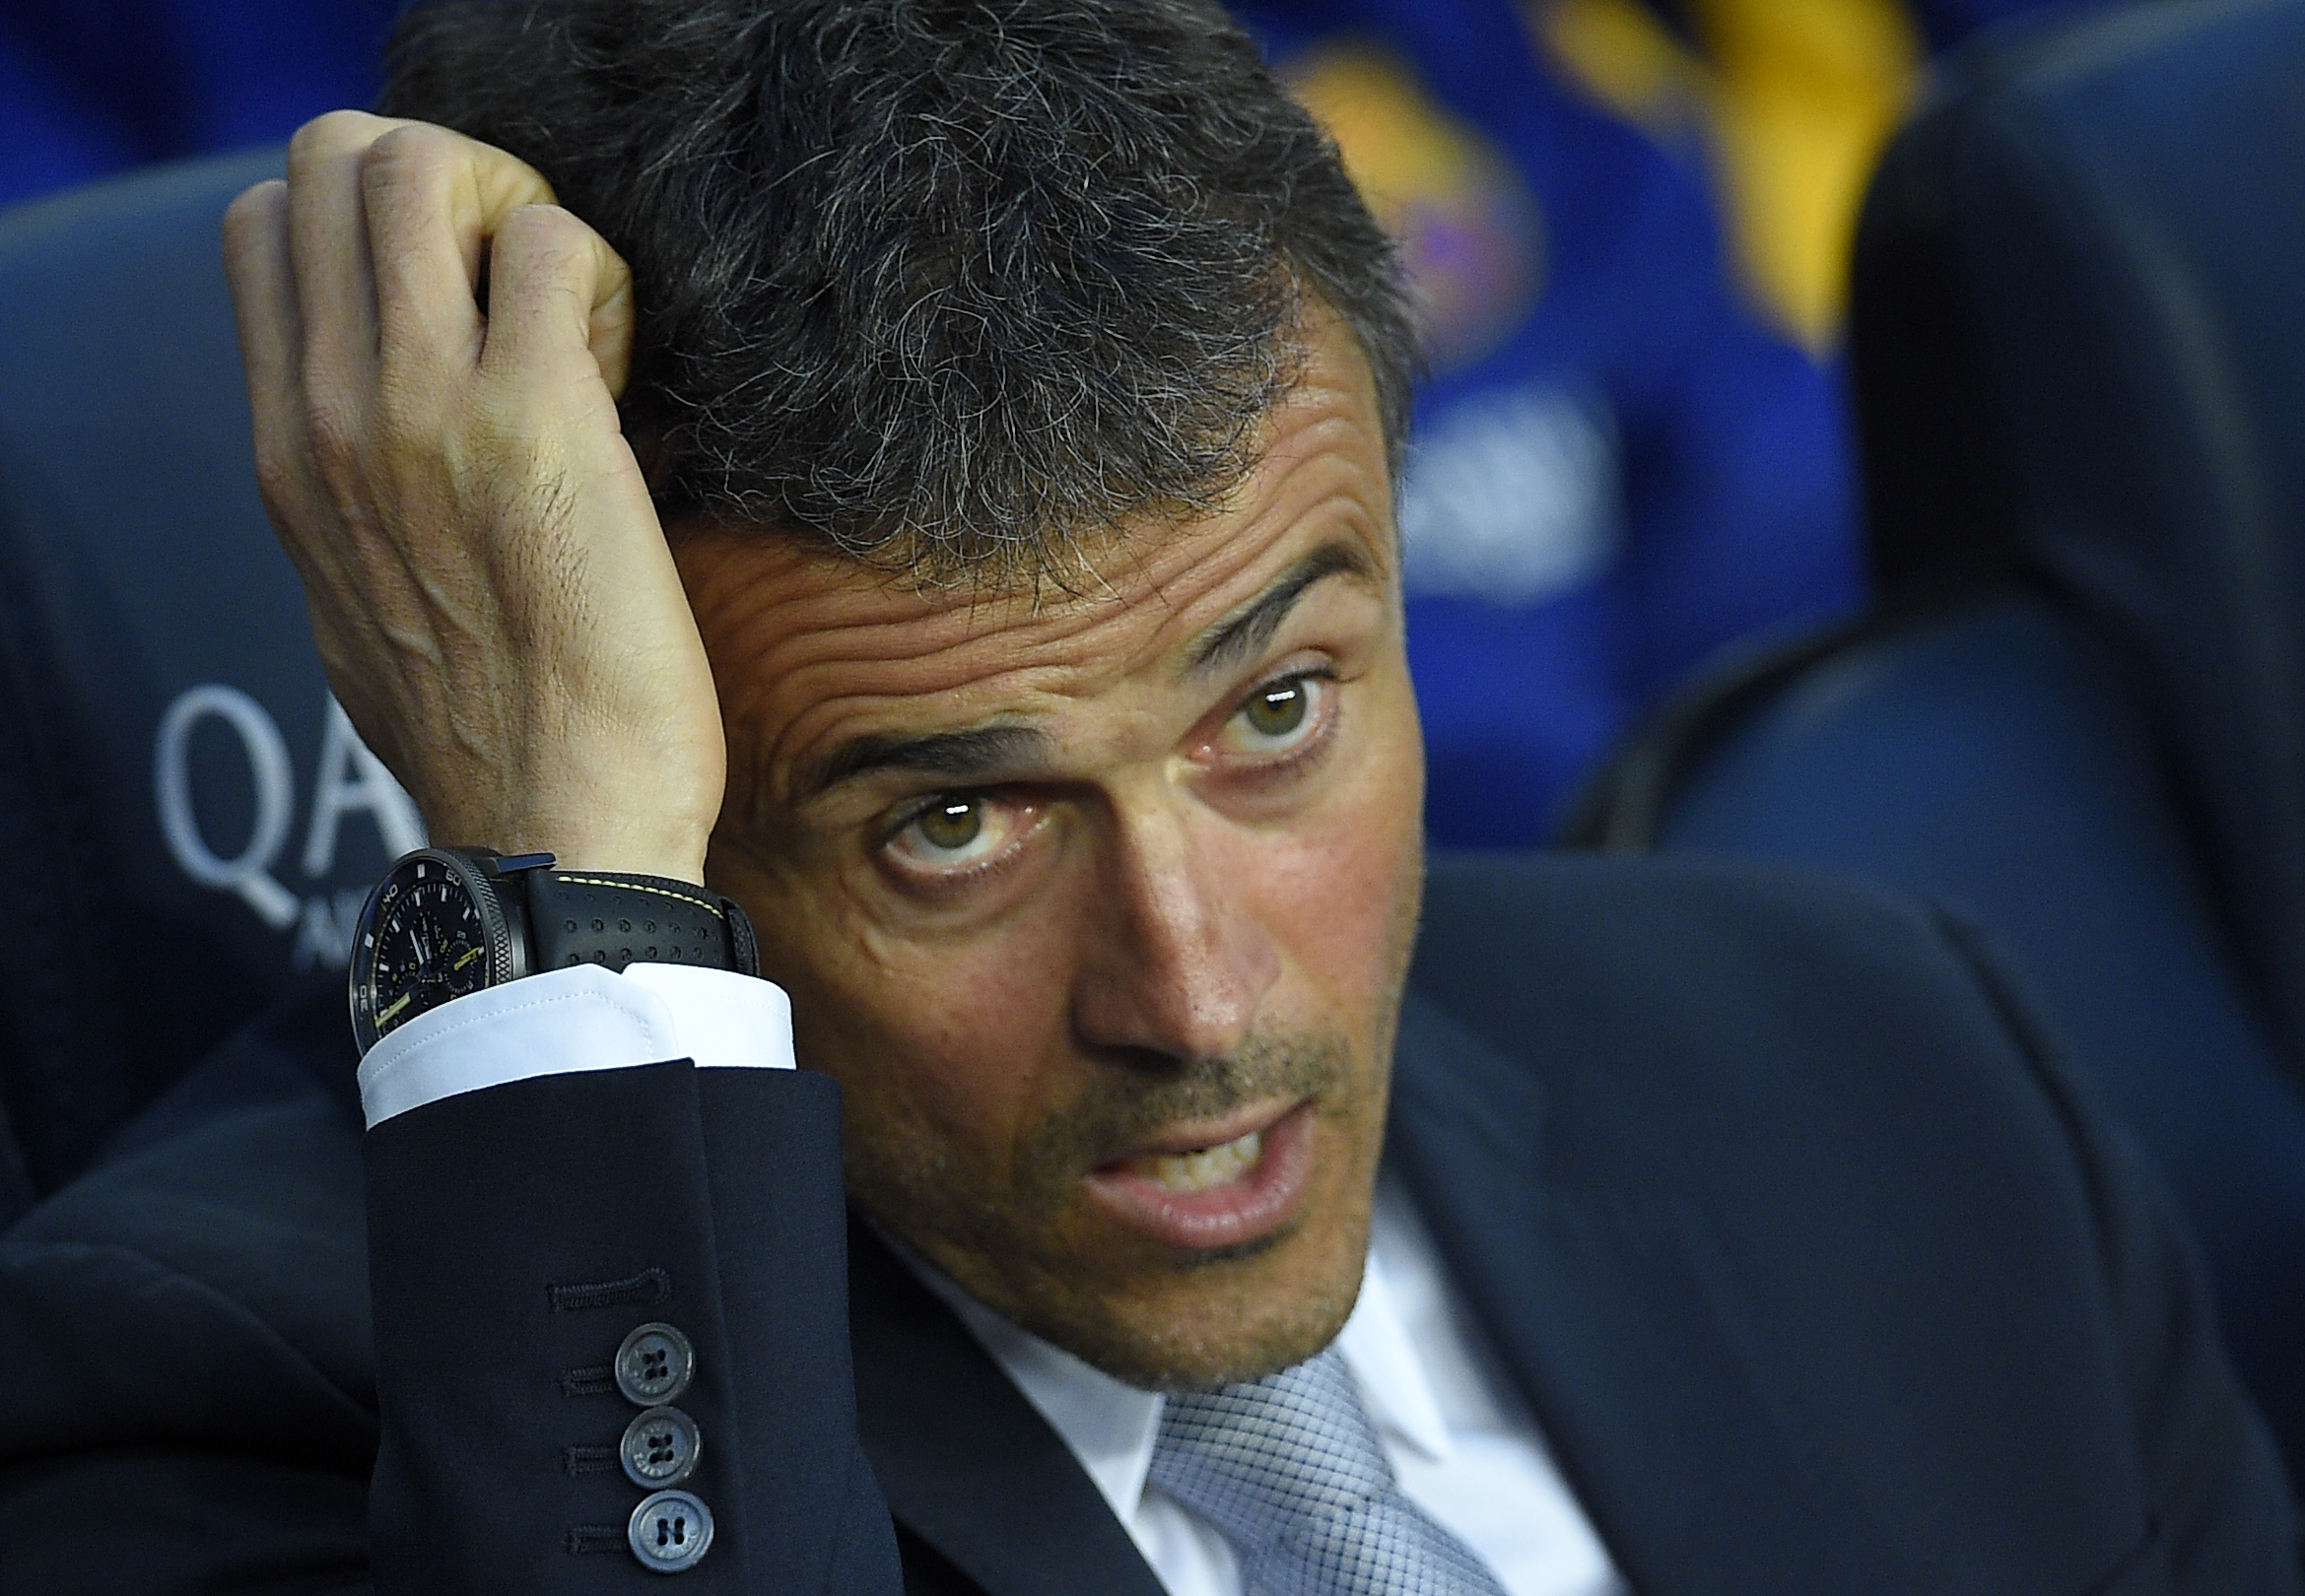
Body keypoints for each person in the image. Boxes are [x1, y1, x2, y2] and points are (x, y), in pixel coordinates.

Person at [0, 1, 2293, 1591]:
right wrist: (570, 899)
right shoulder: (249, 1406)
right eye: (955, 826)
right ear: (649, 769)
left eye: (1277, 710)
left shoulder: (1890, 1070)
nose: (1196, 999)